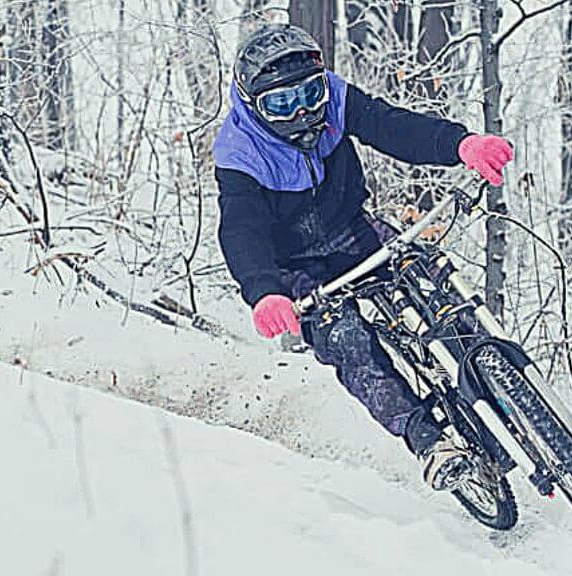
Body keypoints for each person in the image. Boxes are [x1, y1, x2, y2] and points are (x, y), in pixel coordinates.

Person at [213, 24, 514, 491]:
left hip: (351, 230)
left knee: (428, 276)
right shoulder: (240, 152)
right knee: (347, 339)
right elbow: (241, 230)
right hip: (295, 268)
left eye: (309, 94)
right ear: (254, 106)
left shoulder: (334, 101)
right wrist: (264, 291)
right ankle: (430, 442)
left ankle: (497, 380)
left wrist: (460, 145)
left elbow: (393, 127)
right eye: (282, 104)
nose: (303, 112)